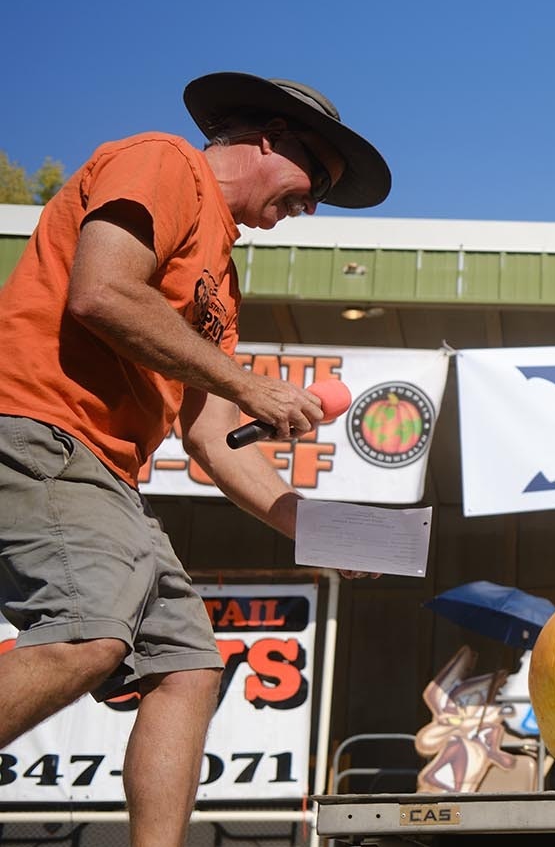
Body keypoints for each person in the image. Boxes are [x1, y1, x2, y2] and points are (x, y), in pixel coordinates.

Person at [0, 72, 390, 845]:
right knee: (87, 635)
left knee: (188, 669)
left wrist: (330, 534)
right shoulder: (163, 161)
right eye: (317, 182)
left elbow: (211, 440)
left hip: (108, 476)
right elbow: (103, 292)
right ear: (271, 138)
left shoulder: (222, 276)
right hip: (39, 429)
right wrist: (255, 386)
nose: (311, 206)